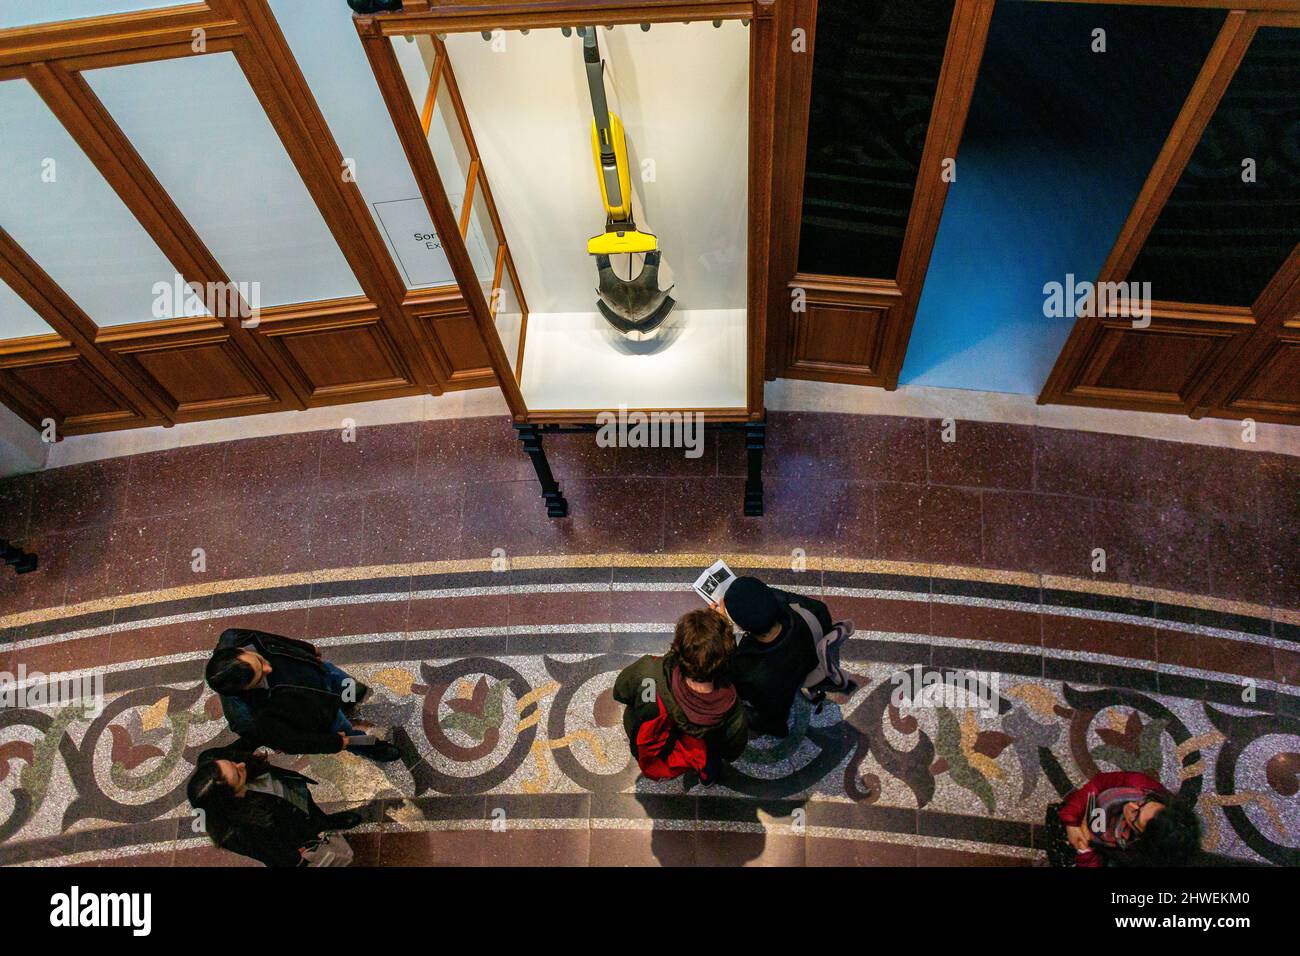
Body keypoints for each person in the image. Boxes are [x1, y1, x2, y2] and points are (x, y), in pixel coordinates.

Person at [205, 627, 400, 761]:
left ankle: (347, 700)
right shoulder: (247, 719)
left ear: (240, 651)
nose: (268, 668)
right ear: (244, 689)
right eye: (259, 677)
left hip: (317, 671)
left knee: (343, 683)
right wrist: (334, 742)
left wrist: (305, 649)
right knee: (347, 733)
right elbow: (291, 741)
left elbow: (271, 639)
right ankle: (371, 747)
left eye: (259, 660)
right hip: (318, 712)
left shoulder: (234, 638)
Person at [613, 607, 748, 784]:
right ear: (725, 659)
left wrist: (704, 640)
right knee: (711, 764)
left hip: (655, 745)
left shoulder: (647, 672)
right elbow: (731, 753)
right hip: (697, 756)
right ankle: (707, 779)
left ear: (678, 646)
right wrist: (717, 639)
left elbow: (620, 693)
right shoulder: (734, 714)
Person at [186, 741, 363, 867]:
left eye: (232, 763)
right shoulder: (239, 833)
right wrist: (298, 859)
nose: (241, 764)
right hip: (293, 826)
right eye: (238, 775)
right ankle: (321, 826)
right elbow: (276, 855)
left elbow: (250, 738)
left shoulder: (212, 759)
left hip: (289, 795)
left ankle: (326, 822)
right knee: (308, 823)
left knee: (309, 810)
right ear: (230, 798)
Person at [717, 576, 835, 738]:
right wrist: (757, 598)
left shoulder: (747, 669)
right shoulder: (813, 611)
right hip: (810, 664)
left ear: (741, 627)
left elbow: (734, 684)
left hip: (775, 704)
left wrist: (723, 631)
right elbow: (789, 599)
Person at [1049, 770, 1201, 867]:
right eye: (1144, 803)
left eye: (1135, 817)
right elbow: (1099, 783)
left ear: (1141, 838)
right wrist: (1071, 822)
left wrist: (1084, 851)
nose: (1131, 806)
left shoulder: (1135, 856)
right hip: (1078, 815)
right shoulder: (1141, 785)